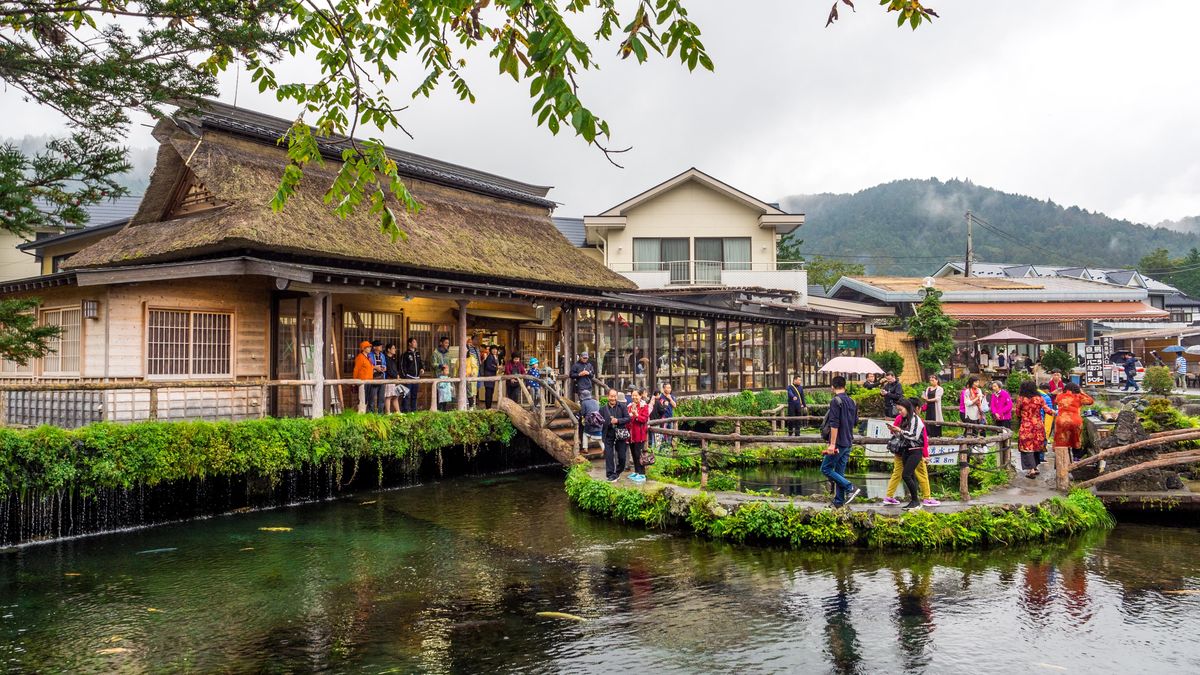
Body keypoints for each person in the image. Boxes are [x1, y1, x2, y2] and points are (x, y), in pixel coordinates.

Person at [883, 397, 937, 508]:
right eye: (898, 410)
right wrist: (896, 431)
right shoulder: (904, 418)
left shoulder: (914, 420)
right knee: (912, 475)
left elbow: (915, 436)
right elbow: (918, 438)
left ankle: (914, 500)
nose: (899, 412)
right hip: (905, 450)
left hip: (912, 450)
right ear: (916, 408)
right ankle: (922, 499)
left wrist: (898, 430)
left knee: (904, 474)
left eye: (900, 410)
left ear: (907, 408)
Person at [822, 376, 861, 507]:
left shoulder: (835, 401)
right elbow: (855, 422)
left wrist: (832, 444)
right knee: (839, 472)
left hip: (838, 442)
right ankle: (838, 501)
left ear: (833, 387)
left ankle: (850, 487)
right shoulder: (852, 401)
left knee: (825, 468)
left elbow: (834, 424)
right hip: (848, 441)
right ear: (845, 386)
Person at [1016, 379, 1055, 479]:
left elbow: (1017, 412)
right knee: (1036, 446)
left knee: (1027, 447)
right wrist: (1056, 412)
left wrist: (1023, 416)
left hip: (1026, 426)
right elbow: (1047, 410)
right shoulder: (1039, 398)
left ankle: (1031, 470)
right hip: (1038, 425)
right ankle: (1036, 467)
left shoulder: (1021, 399)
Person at [1054, 381, 1095, 462]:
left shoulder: (1060, 396)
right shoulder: (1079, 396)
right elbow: (1091, 401)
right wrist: (1082, 392)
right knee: (1075, 439)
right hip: (1075, 420)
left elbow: (1056, 401)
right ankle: (1076, 457)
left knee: (1061, 439)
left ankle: (1062, 459)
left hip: (1061, 420)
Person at [599, 389, 630, 482]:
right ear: (608, 396)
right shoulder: (603, 409)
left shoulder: (622, 406)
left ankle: (617, 472)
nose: (613, 398)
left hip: (620, 434)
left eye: (614, 396)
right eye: (611, 396)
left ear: (617, 396)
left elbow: (628, 418)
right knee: (609, 455)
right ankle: (610, 474)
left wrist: (618, 421)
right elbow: (600, 421)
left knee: (622, 457)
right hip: (608, 434)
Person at [627, 389, 650, 482]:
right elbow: (628, 418)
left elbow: (644, 419)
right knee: (633, 453)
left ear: (640, 396)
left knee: (639, 454)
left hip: (639, 435)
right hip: (631, 434)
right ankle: (637, 472)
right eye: (633, 395)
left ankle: (642, 474)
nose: (634, 397)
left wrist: (636, 415)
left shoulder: (644, 406)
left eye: (636, 395)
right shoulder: (629, 406)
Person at [399, 337, 423, 412]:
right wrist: (405, 376)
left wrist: (422, 369)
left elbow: (420, 363)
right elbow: (402, 366)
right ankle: (405, 410)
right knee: (406, 395)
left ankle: (413, 410)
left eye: (416, 342)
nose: (416, 343)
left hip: (416, 378)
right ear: (410, 343)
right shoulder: (405, 354)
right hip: (408, 377)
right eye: (414, 342)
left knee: (414, 395)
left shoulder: (418, 354)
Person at [365, 340, 387, 413]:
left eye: (381, 345)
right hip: (373, 378)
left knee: (381, 397)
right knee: (372, 397)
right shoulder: (369, 355)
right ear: (374, 347)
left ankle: (380, 413)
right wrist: (375, 368)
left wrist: (384, 368)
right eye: (379, 346)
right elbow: (368, 366)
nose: (381, 347)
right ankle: (371, 413)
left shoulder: (382, 355)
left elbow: (384, 364)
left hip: (382, 377)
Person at [352, 340, 375, 410]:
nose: (370, 348)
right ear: (363, 348)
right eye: (368, 347)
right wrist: (354, 381)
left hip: (370, 381)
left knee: (368, 398)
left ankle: (365, 412)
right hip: (363, 381)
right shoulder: (360, 357)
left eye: (370, 347)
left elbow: (370, 367)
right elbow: (356, 369)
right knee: (362, 398)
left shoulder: (369, 357)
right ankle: (361, 412)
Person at [384, 343, 401, 413]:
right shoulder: (385, 358)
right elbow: (388, 370)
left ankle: (398, 412)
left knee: (396, 396)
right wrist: (395, 376)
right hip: (389, 379)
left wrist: (397, 375)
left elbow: (395, 369)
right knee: (389, 396)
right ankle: (388, 412)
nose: (395, 350)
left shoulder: (393, 358)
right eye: (393, 348)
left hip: (396, 379)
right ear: (388, 350)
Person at [464, 336, 481, 407]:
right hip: (470, 371)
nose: (477, 341)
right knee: (470, 388)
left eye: (478, 339)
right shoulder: (469, 348)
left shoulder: (477, 348)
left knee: (477, 386)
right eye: (476, 339)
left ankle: (475, 400)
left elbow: (478, 358)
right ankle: (471, 403)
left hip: (477, 369)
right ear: (472, 340)